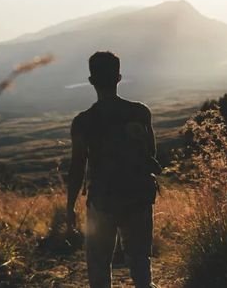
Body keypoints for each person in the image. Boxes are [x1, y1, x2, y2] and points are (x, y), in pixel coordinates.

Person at [67, 51, 161, 288]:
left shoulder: (83, 122)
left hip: (102, 200)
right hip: (138, 196)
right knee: (140, 260)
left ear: (91, 81)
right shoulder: (140, 112)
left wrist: (69, 207)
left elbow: (78, 166)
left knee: (99, 263)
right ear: (118, 77)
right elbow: (151, 154)